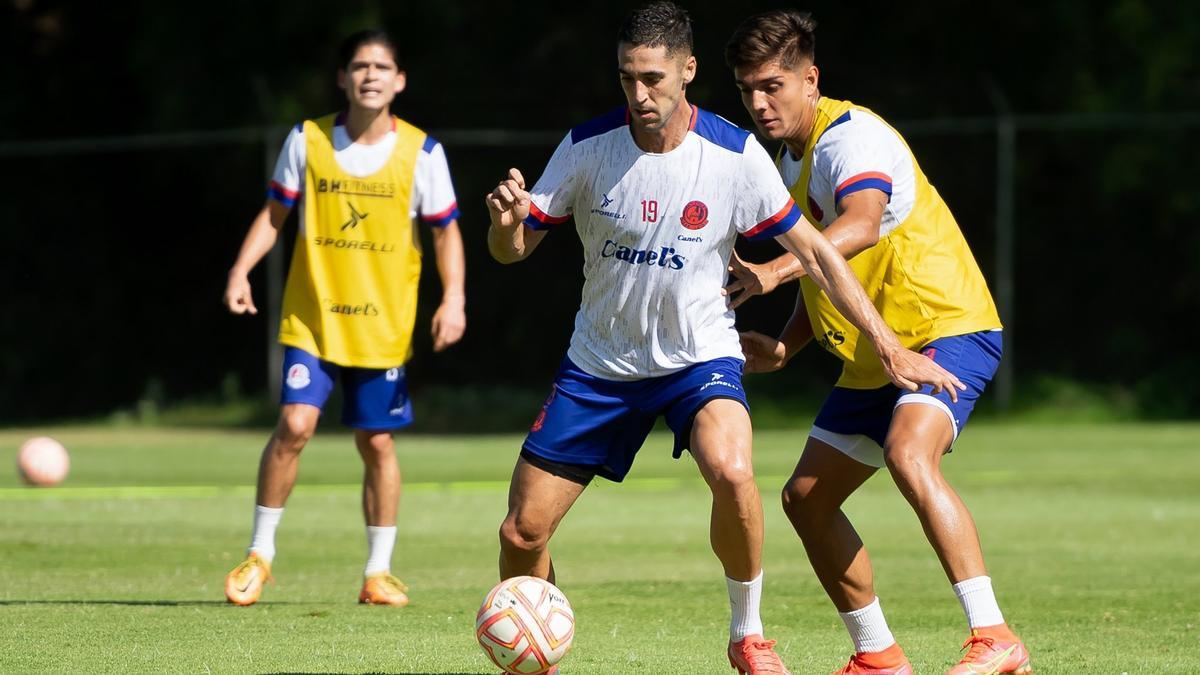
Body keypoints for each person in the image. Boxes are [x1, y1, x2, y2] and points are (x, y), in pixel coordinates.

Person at [485, 3, 962, 673]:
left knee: (735, 471)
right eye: (627, 78)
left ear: (688, 70)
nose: (639, 94)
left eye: (652, 78)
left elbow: (821, 254)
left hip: (699, 357)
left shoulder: (734, 154)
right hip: (600, 365)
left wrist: (885, 343)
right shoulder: (586, 146)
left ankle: (749, 637)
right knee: (521, 530)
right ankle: (537, 648)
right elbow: (514, 248)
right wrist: (506, 225)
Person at [724, 10, 1029, 674]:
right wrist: (785, 348)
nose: (758, 102)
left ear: (812, 79)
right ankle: (879, 656)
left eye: (773, 86)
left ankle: (995, 636)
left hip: (944, 327)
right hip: (874, 354)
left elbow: (858, 227)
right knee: (806, 497)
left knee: (908, 452)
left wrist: (774, 270)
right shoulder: (785, 161)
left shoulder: (848, 141)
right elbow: (830, 271)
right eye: (748, 89)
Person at [221, 29, 466, 608]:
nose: (371, 75)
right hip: (313, 318)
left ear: (399, 80)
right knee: (296, 426)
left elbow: (446, 232)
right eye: (359, 66)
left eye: (382, 66)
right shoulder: (307, 141)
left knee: (376, 441)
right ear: (343, 78)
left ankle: (378, 573)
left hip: (382, 327)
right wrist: (240, 271)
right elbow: (275, 214)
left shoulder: (423, 153)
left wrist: (453, 298)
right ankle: (259, 556)